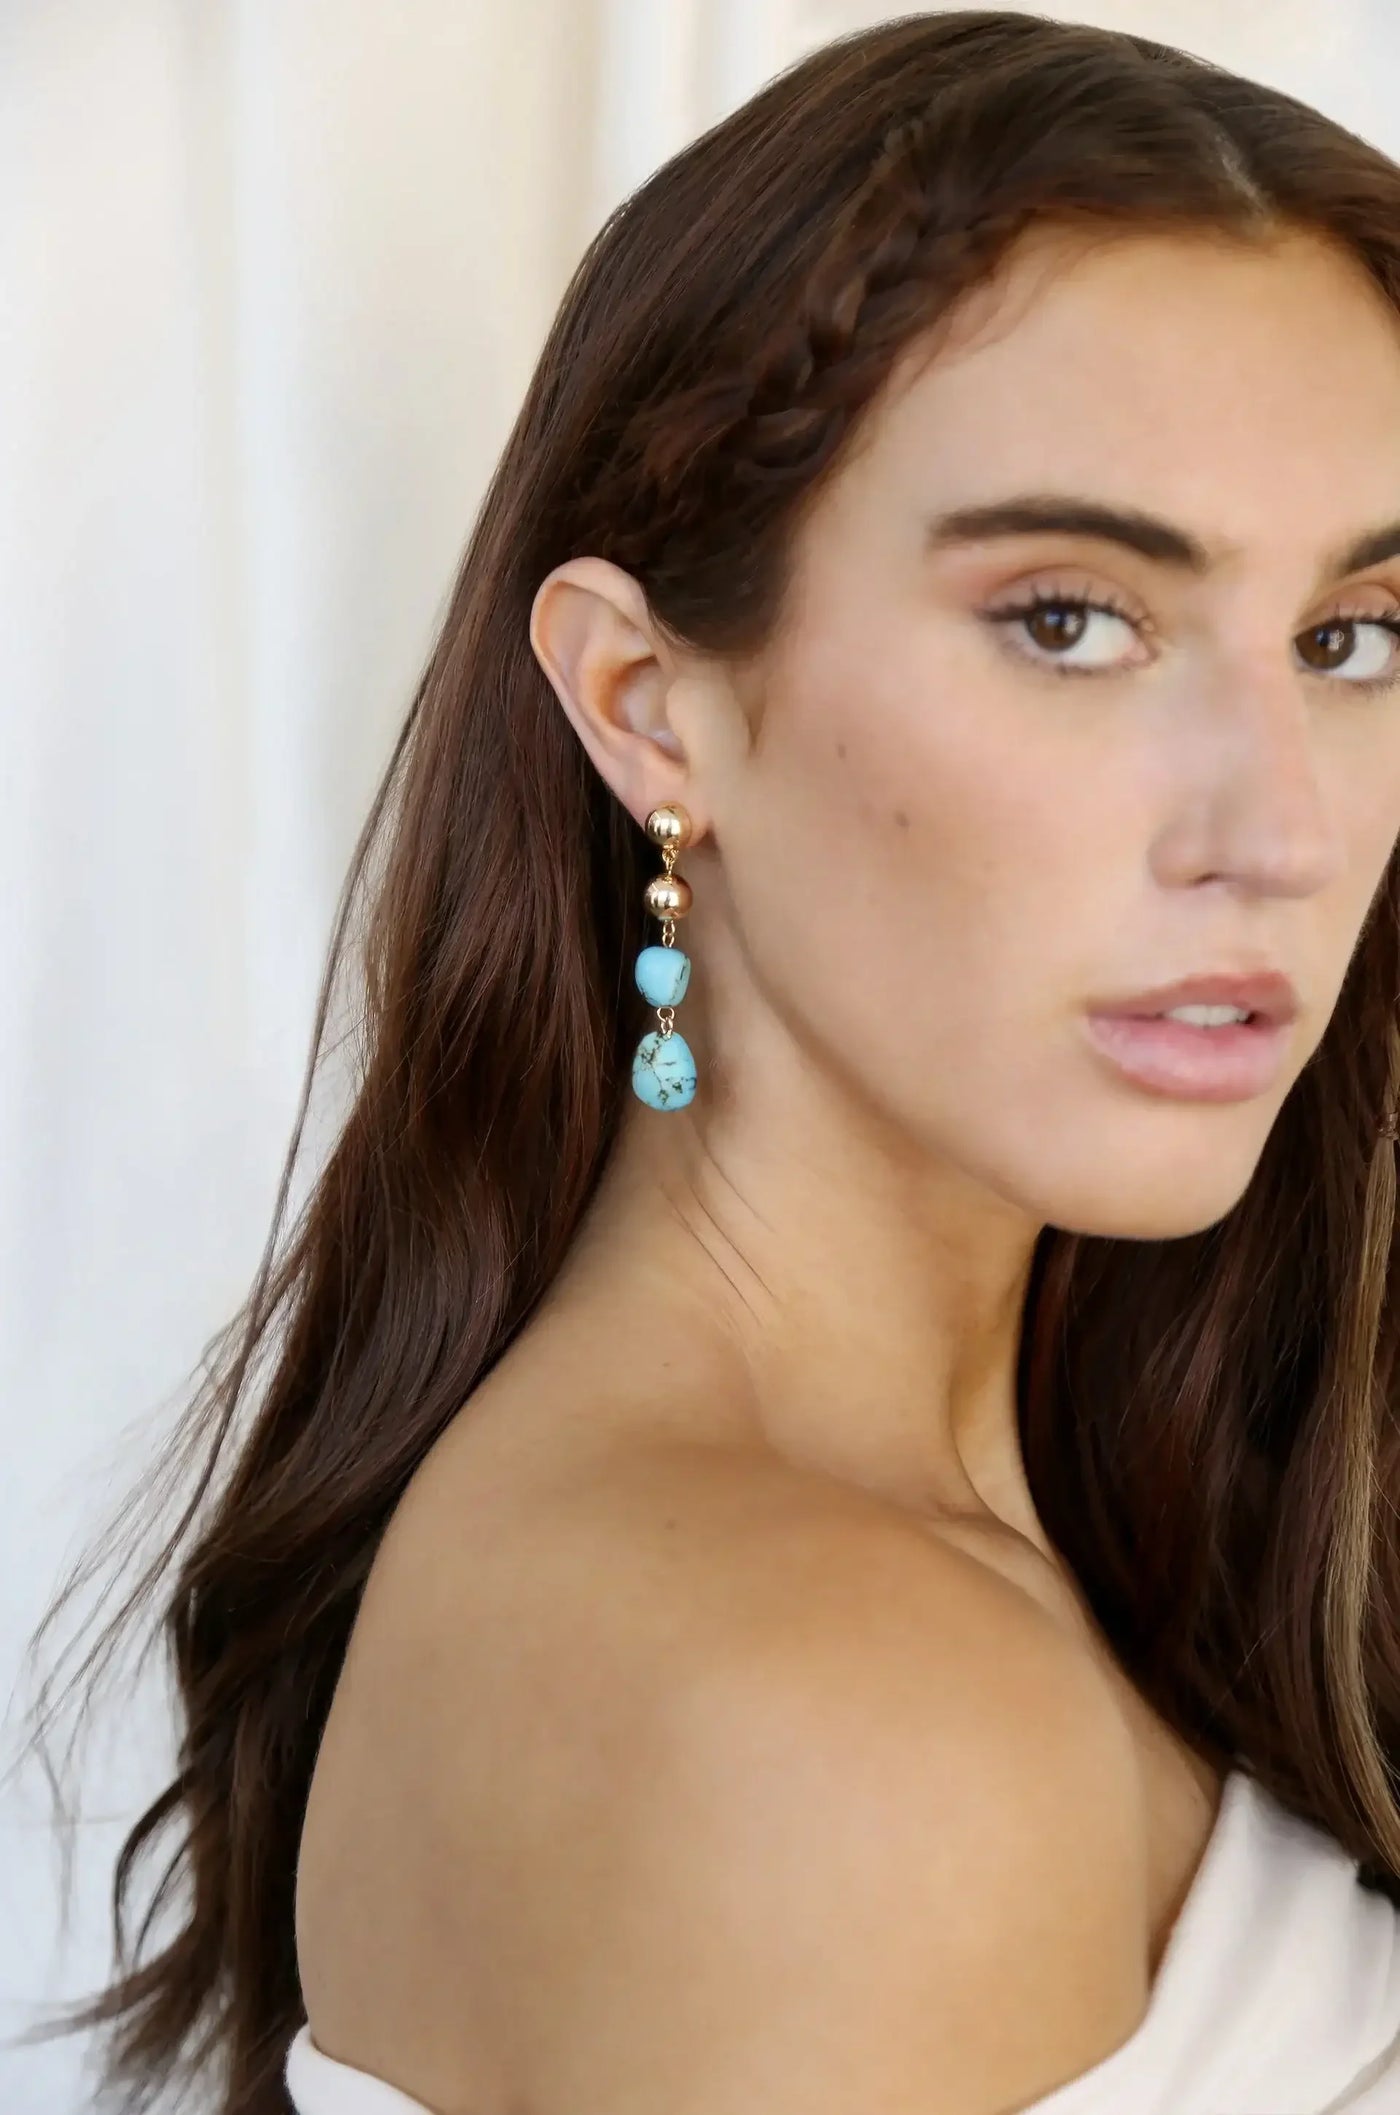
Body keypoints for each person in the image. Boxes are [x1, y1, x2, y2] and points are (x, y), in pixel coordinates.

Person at [13, 9, 1400, 2113]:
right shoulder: (822, 1703)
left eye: (1351, 637)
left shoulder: (848, 1533)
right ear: (649, 700)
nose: (1277, 827)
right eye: (1070, 618)